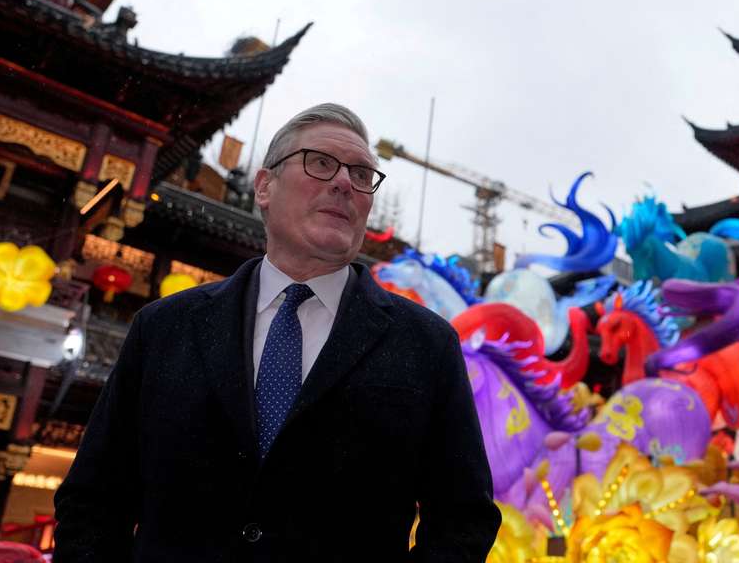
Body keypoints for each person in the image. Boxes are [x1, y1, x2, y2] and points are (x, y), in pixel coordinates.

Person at [54, 104, 500, 561]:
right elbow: (94, 499)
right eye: (321, 163)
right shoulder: (164, 328)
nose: (345, 182)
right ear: (265, 186)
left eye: (363, 174)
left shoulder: (426, 344)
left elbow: (462, 519)